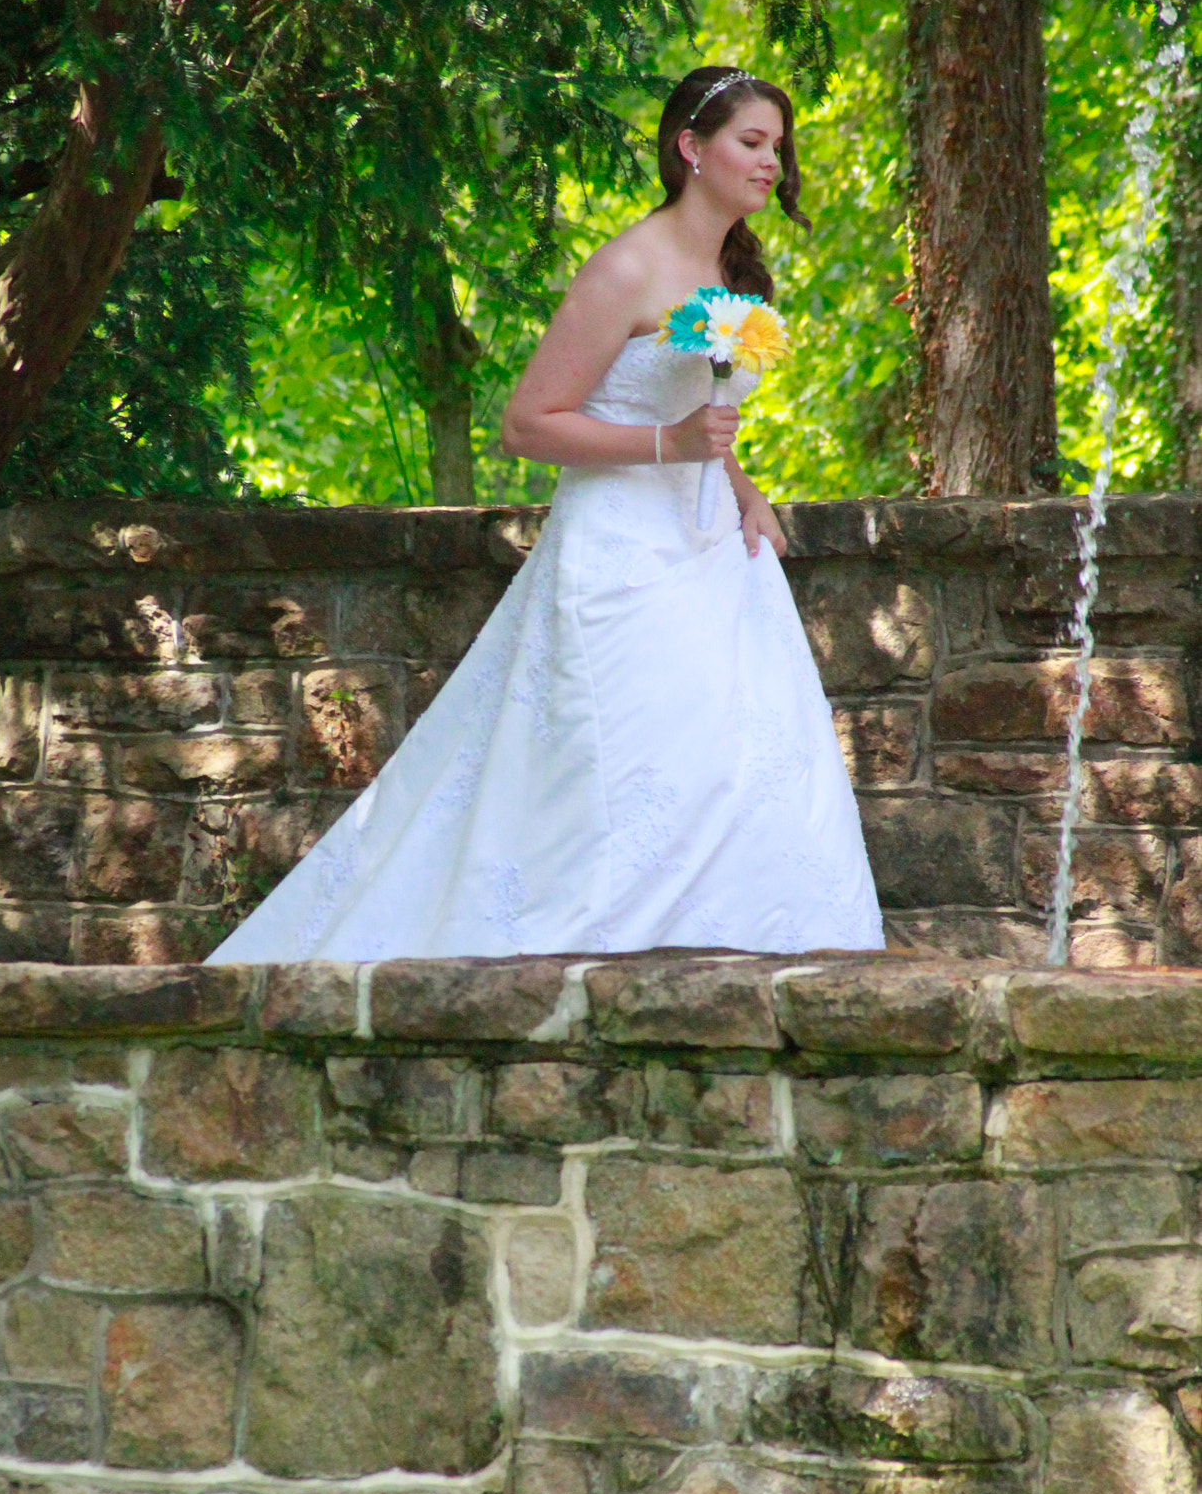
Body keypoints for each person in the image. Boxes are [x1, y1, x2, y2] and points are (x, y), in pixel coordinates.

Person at [208, 65, 883, 964]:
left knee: (732, 762)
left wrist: (744, 490)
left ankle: (724, 960)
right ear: (691, 148)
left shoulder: (733, 273)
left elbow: (698, 425)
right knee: (626, 768)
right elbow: (529, 423)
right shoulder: (627, 266)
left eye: (776, 147)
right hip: (618, 554)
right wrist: (668, 450)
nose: (771, 163)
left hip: (712, 553)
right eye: (750, 143)